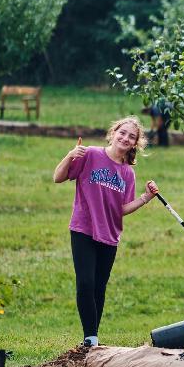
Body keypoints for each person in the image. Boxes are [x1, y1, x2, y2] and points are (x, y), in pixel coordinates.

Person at [52, 117, 159, 348]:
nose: (125, 138)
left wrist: (145, 198)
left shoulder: (127, 173)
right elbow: (58, 177)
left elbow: (121, 209)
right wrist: (70, 155)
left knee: (99, 288)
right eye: (122, 133)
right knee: (86, 283)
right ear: (113, 133)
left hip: (109, 235)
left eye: (131, 136)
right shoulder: (89, 154)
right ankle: (90, 338)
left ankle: (93, 339)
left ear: (135, 144)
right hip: (83, 229)